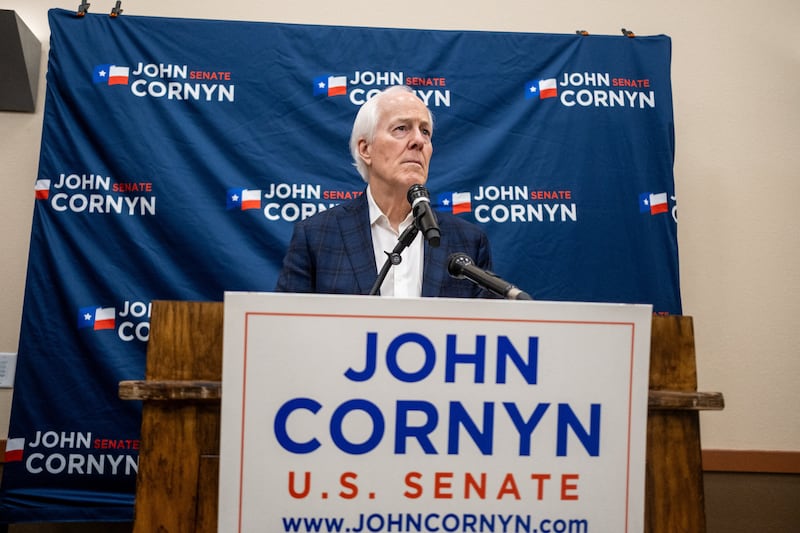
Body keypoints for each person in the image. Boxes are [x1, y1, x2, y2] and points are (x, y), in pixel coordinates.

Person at [275, 85, 495, 298]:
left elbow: (488, 322)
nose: (418, 141)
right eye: (401, 128)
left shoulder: (468, 242)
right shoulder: (316, 237)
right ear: (365, 149)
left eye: (425, 131)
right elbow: (287, 320)